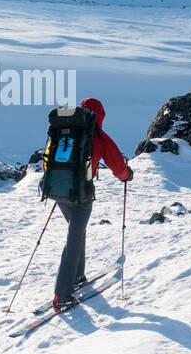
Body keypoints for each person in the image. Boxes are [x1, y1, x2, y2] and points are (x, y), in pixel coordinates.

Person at [53, 97, 132, 308]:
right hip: (81, 194)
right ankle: (62, 294)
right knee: (74, 237)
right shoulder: (97, 134)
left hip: (58, 190)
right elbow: (118, 166)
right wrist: (126, 176)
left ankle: (78, 276)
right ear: (100, 115)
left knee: (77, 231)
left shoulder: (64, 130)